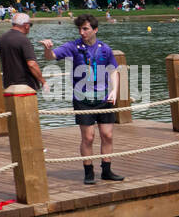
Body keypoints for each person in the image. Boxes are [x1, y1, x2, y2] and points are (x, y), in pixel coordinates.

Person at [41, 14, 123, 185]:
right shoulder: (73, 46)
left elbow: (114, 70)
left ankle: (106, 171)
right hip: (82, 98)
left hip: (104, 98)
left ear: (95, 30)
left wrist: (115, 90)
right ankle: (89, 171)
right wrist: (48, 49)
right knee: (89, 138)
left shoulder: (105, 48)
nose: (82, 32)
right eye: (80, 29)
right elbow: (51, 57)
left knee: (107, 135)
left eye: (85, 28)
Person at [0, 13, 48, 96]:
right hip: (25, 87)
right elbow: (32, 64)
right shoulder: (23, 40)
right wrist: (43, 81)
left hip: (8, 86)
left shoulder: (3, 38)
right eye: (30, 24)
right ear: (26, 25)